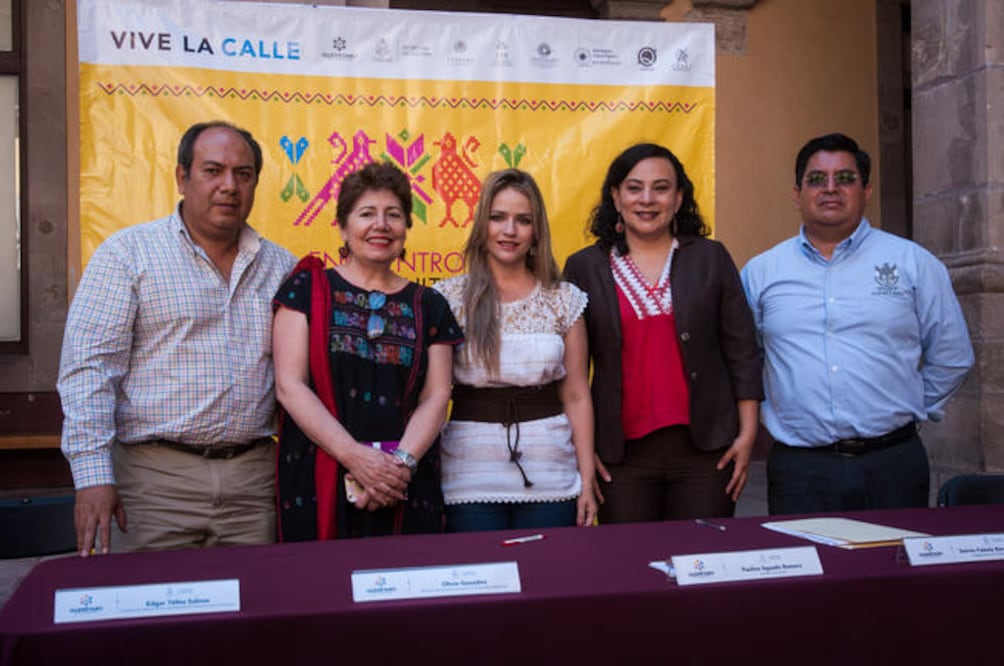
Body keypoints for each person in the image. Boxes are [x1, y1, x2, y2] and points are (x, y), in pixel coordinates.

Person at [58, 121, 296, 556]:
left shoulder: (282, 268)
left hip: (255, 484)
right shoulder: (128, 254)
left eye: (243, 174)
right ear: (182, 177)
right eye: (213, 170)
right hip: (153, 484)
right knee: (149, 614)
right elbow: (88, 370)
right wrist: (92, 477)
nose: (229, 186)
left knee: (254, 614)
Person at [741, 133, 975, 514]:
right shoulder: (761, 273)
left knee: (894, 571)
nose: (830, 188)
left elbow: (952, 355)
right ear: (797, 192)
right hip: (801, 469)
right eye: (816, 179)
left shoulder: (913, 263)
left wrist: (908, 408)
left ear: (866, 190)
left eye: (844, 178)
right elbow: (747, 360)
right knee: (807, 571)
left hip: (892, 464)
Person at [564, 143, 762, 524]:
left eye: (661, 188)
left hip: (707, 452)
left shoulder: (710, 258)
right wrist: (584, 451)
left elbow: (742, 351)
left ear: (679, 197)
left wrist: (748, 433)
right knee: (634, 568)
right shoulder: (585, 267)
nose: (647, 199)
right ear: (616, 197)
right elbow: (571, 374)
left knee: (702, 566)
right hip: (620, 458)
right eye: (634, 188)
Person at [273, 161, 462, 540]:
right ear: (343, 226)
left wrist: (398, 467)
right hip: (319, 474)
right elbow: (290, 386)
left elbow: (437, 396)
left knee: (407, 591)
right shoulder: (306, 291)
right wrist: (356, 458)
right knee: (319, 590)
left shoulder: (431, 304)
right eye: (367, 214)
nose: (381, 225)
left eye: (393, 215)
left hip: (405, 482)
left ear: (407, 227)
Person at [434, 169, 597, 532]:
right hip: (467, 478)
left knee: (549, 581)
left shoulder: (564, 299)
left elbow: (576, 395)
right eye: (498, 217)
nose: (510, 231)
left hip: (552, 475)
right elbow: (433, 397)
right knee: (476, 583)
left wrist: (586, 478)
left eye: (523, 220)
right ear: (482, 225)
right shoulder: (447, 298)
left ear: (536, 231)